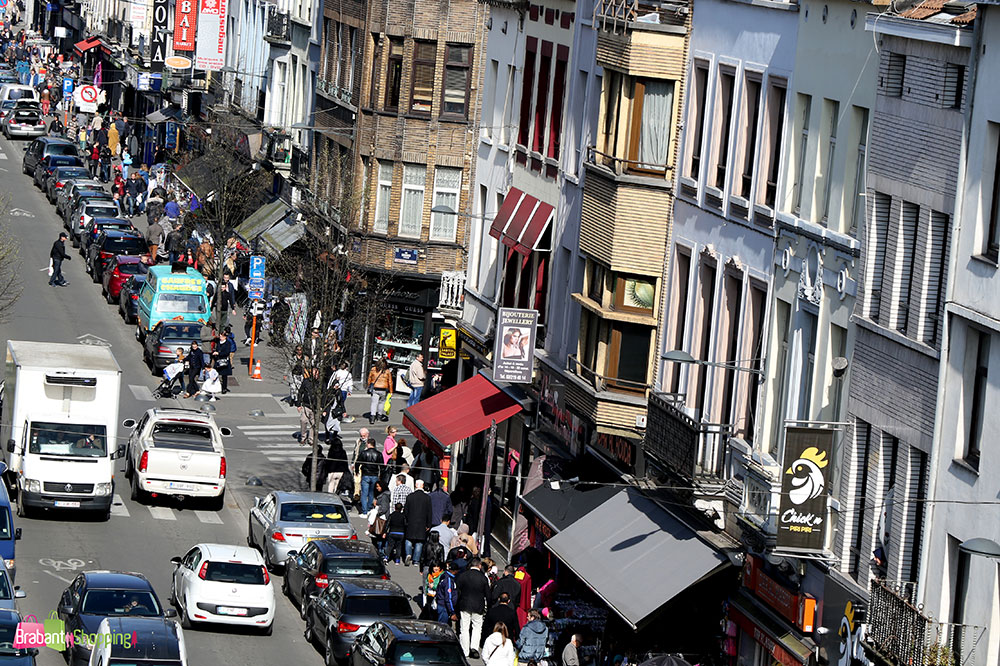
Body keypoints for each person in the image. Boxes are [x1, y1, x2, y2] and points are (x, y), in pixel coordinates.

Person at [456, 558, 490, 658]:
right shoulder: (483, 578)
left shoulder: (463, 576)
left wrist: (457, 605)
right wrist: (489, 606)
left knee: (464, 628)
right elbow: (488, 594)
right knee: (477, 627)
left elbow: (457, 591)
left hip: (465, 604)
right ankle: (474, 648)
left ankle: (465, 650)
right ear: (479, 565)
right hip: (478, 606)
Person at [404, 479, 432, 568]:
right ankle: (416, 560)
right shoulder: (427, 498)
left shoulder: (410, 497)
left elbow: (406, 511)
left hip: (411, 522)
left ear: (416, 485)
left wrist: (406, 521)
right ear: (423, 486)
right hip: (422, 523)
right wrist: (428, 524)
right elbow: (429, 512)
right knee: (419, 542)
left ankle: (408, 554)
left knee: (408, 539)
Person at [356, 438, 382, 514]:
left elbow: (357, 462)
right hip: (374, 475)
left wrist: (357, 470)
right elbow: (382, 466)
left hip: (365, 474)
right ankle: (369, 508)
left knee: (364, 493)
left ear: (368, 444)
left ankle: (364, 510)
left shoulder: (364, 453)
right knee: (372, 493)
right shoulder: (378, 454)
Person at [297, 366, 320, 449]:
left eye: (317, 373)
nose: (316, 375)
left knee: (313, 423)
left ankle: (311, 439)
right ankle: (303, 437)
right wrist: (298, 404)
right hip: (306, 405)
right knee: (303, 420)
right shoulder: (306, 381)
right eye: (314, 373)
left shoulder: (320, 383)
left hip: (315, 407)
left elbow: (324, 394)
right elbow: (300, 392)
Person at [366, 359, 392, 424]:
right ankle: (379, 416)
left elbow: (369, 378)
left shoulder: (373, 369)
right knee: (381, 403)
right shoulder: (387, 371)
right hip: (384, 388)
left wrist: (369, 386)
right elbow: (390, 382)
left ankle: (372, 417)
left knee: (374, 403)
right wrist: (391, 391)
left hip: (375, 388)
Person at [437, 561, 461, 626]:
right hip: (444, 607)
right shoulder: (449, 580)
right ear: (455, 571)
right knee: (442, 626)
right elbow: (448, 597)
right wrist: (452, 612)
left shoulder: (444, 575)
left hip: (442, 605)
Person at [214, 327, 236, 394]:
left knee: (224, 375)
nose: (220, 337)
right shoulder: (218, 342)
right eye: (220, 336)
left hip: (224, 360)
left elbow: (227, 352)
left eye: (222, 336)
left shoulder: (227, 343)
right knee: (216, 374)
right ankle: (216, 387)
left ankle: (224, 388)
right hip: (218, 360)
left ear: (225, 337)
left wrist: (219, 353)